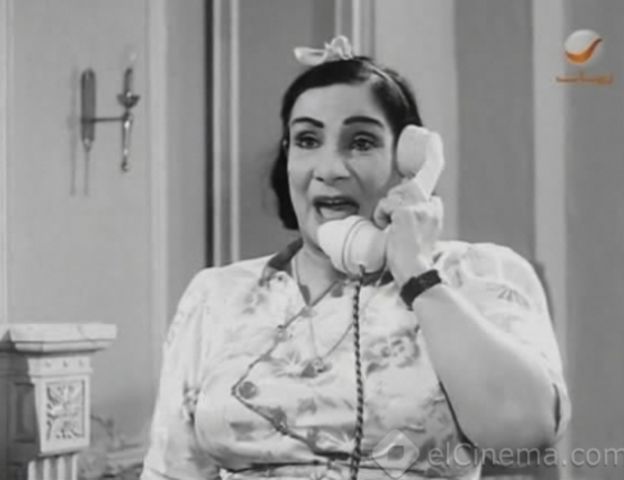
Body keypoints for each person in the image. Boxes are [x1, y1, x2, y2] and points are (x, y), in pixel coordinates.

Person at [140, 36, 571, 480]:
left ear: (409, 160)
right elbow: (171, 470)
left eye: (361, 142)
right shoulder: (217, 294)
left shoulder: (477, 273)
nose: (329, 169)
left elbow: (524, 432)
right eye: (307, 140)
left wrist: (417, 276)